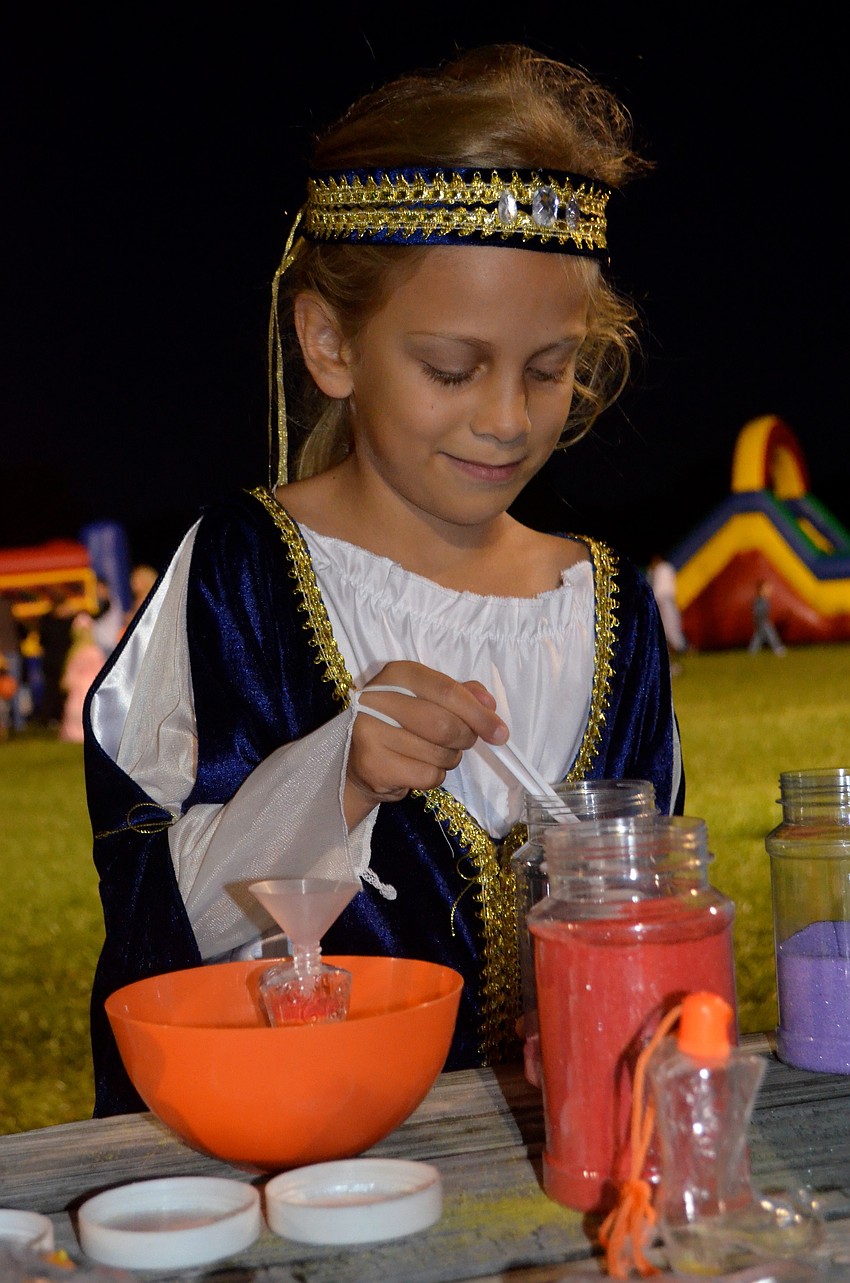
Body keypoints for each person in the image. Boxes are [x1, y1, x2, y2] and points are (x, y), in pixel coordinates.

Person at [84, 43, 684, 1116]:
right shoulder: (236, 576)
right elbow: (147, 932)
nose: (506, 417)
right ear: (330, 342)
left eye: (549, 368)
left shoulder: (607, 608)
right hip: (301, 1164)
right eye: (451, 369)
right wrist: (337, 776)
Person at [59, 613, 106, 742]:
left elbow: (70, 671)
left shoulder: (75, 651)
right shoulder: (94, 650)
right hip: (90, 685)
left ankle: (75, 734)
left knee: (76, 710)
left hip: (79, 686)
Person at [647, 554, 688, 674]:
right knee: (666, 633)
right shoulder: (662, 569)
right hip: (663, 602)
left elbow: (662, 590)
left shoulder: (663, 568)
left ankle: (676, 658)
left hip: (664, 602)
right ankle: (672, 661)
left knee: (670, 632)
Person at [749, 578, 786, 655]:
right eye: (767, 589)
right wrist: (760, 620)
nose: (769, 590)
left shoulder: (764, 600)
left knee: (758, 636)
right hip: (762, 621)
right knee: (771, 634)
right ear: (761, 591)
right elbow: (757, 612)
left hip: (763, 621)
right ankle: (777, 648)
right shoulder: (759, 601)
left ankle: (753, 650)